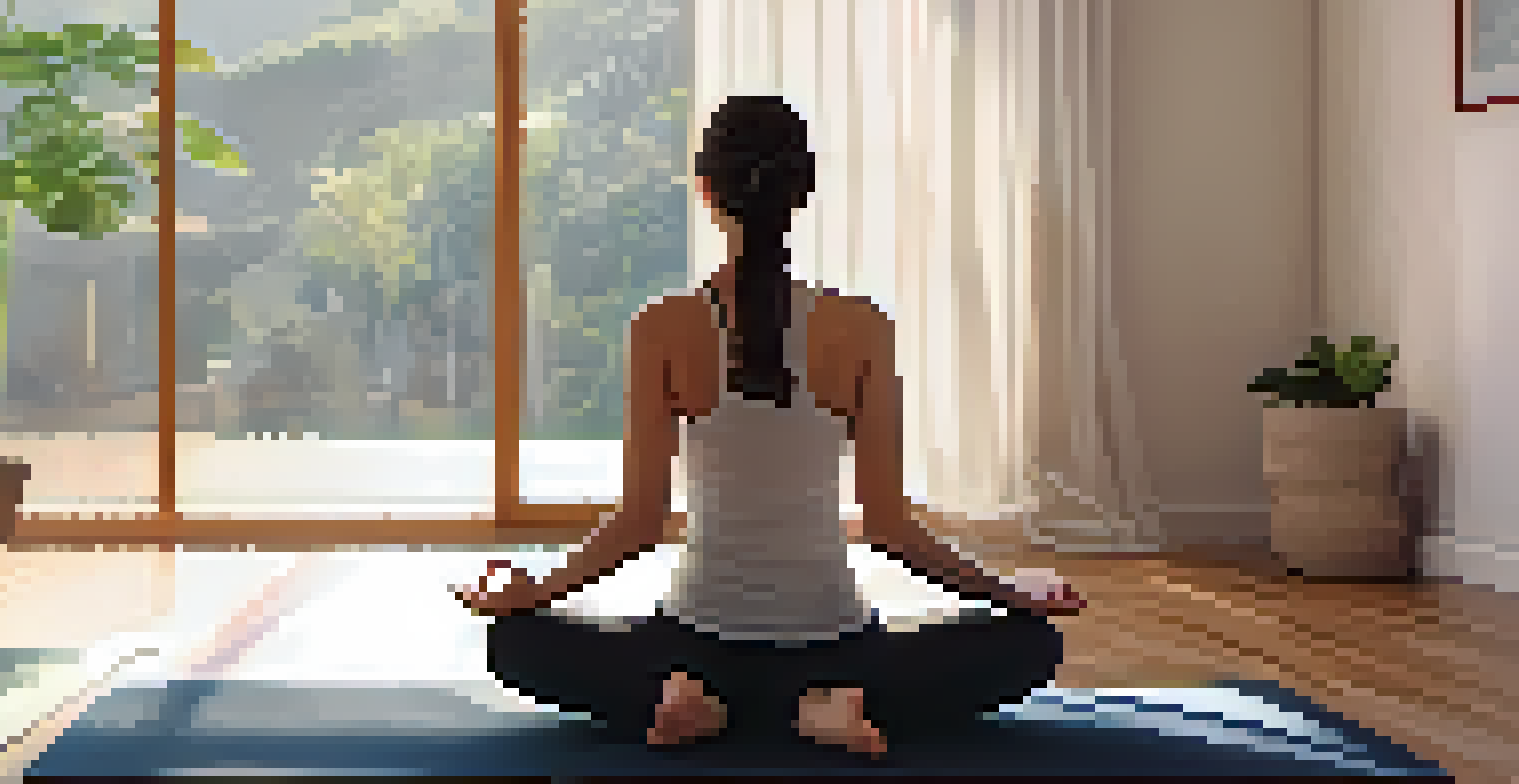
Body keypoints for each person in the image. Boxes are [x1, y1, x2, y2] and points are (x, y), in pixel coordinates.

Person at [452, 95, 1083, 755]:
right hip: (838, 647)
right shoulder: (862, 327)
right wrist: (1006, 590)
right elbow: (890, 527)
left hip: (691, 645)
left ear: (706, 191)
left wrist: (532, 589)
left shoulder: (661, 326)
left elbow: (638, 524)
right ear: (802, 192)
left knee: (514, 642)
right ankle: (826, 704)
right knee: (1030, 643)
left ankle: (686, 699)